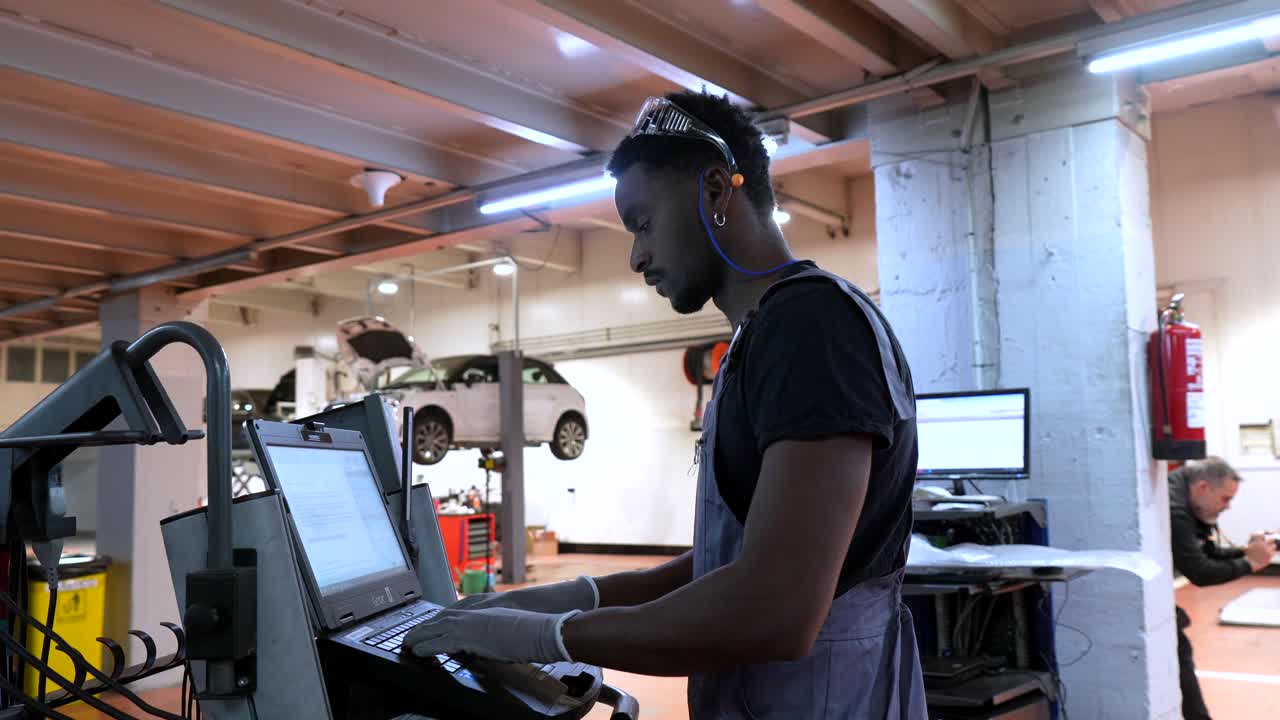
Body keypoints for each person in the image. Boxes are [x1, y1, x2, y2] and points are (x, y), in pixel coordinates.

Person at [406, 91, 927, 718]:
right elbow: (724, 565)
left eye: (643, 223)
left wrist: (548, 637)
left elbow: (777, 610)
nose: (636, 257)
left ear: (714, 191)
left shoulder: (810, 327)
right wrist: (571, 595)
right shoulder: (761, 338)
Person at [1169, 456, 1274, 720]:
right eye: (1225, 499)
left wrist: (1244, 553)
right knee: (1178, 650)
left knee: (1178, 649)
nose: (1227, 507)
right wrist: (1250, 562)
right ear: (1203, 487)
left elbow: (1208, 551)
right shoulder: (1175, 510)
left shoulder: (1189, 497)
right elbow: (1200, 572)